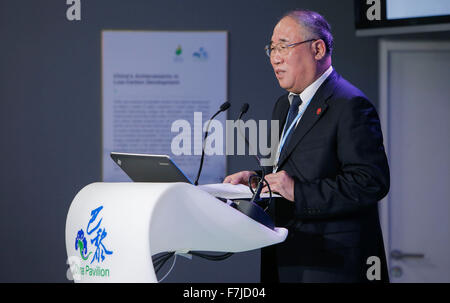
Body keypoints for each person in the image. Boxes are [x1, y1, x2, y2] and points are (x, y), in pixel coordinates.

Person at [223, 10, 390, 283]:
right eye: (272, 49)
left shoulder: (350, 105)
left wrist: (297, 191)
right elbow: (292, 169)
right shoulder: (284, 105)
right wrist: (258, 180)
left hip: (332, 266)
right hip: (284, 257)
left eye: (283, 46)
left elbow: (371, 182)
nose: (275, 58)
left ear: (318, 48)